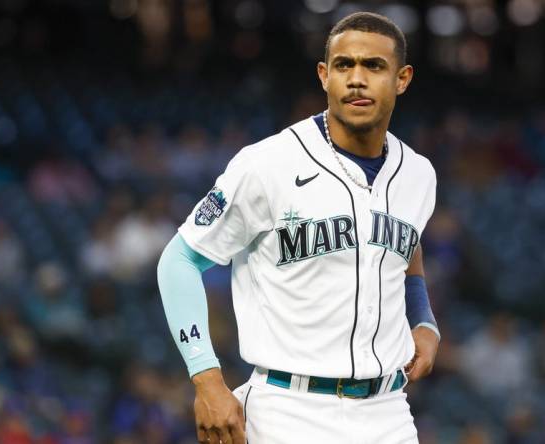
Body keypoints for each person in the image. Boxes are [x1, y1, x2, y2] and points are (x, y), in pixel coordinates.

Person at [158, 12, 439, 443]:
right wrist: (206, 379)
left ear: (402, 79)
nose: (357, 79)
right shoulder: (267, 164)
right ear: (324, 76)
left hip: (389, 411)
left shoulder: (418, 174)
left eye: (374, 66)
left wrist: (424, 320)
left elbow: (405, 250)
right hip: (288, 410)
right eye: (345, 65)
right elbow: (178, 260)